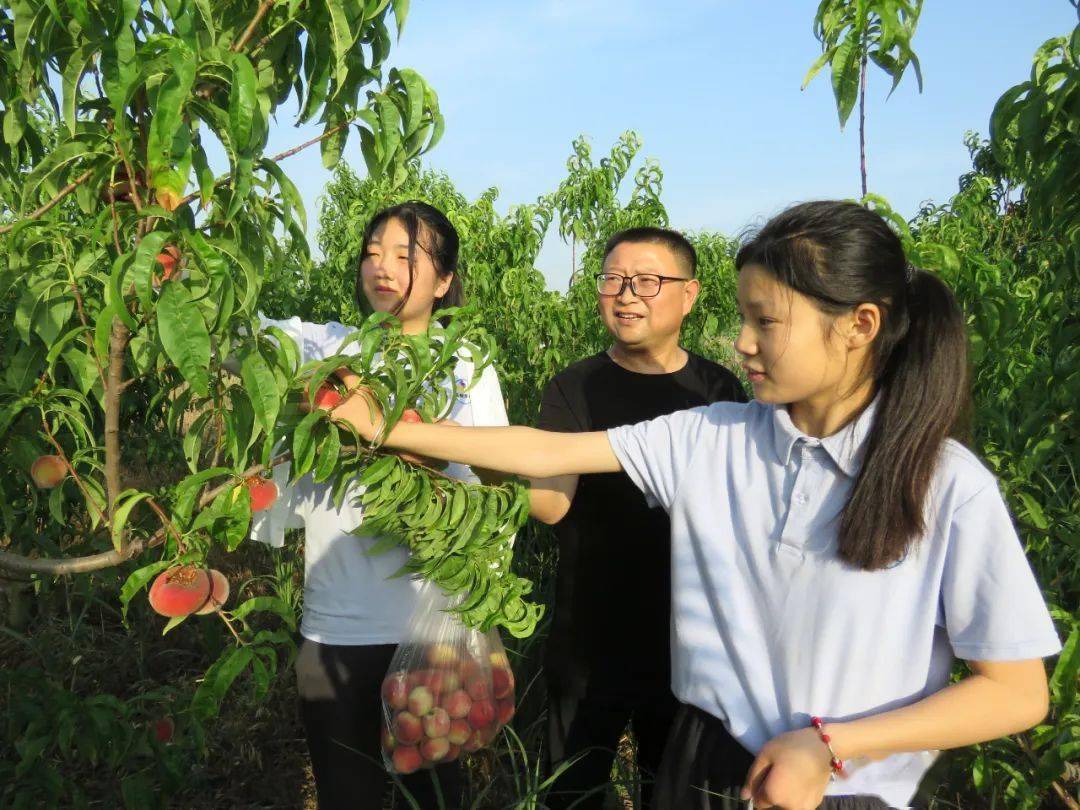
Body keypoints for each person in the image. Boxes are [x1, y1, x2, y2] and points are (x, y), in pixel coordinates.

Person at [325, 200, 1061, 810]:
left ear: (859, 325)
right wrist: (384, 424)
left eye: (766, 322)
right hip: (701, 765)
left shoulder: (944, 484)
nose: (742, 343)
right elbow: (545, 452)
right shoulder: (717, 435)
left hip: (841, 785)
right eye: (744, 317)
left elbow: (1017, 692)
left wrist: (834, 745)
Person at [252, 201, 510, 809]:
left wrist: (429, 442)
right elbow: (240, 340)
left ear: (444, 282)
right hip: (334, 624)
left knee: (435, 793)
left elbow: (500, 474)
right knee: (346, 793)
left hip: (432, 627)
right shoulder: (326, 349)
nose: (382, 266)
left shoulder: (467, 366)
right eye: (372, 252)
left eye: (404, 255)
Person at [529, 226, 745, 809]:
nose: (626, 294)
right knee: (572, 794)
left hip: (689, 642)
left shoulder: (717, 390)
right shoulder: (574, 386)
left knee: (674, 794)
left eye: (647, 280)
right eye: (613, 280)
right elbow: (549, 505)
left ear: (690, 294)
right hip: (588, 636)